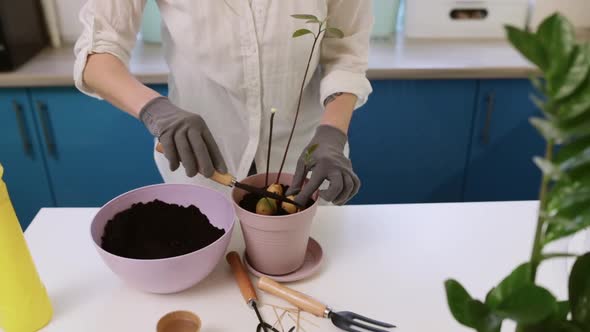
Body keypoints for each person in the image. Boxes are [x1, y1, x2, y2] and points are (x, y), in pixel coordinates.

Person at [74, 1, 372, 206]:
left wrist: (332, 134)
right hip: (200, 167)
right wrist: (156, 110)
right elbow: (97, 57)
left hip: (306, 165)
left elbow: (346, 54)